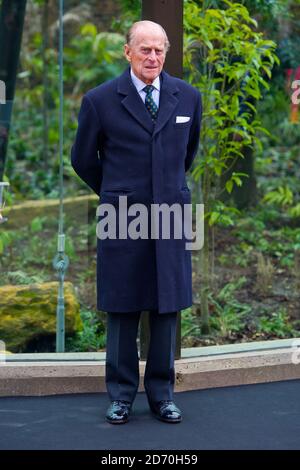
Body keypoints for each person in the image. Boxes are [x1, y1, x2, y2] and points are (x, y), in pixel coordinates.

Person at [71, 20, 202, 424]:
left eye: (159, 50)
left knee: (167, 307)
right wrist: (114, 194)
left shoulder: (189, 98)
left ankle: (163, 395)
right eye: (145, 49)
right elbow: (82, 159)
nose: (153, 57)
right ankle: (121, 396)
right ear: (127, 52)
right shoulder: (100, 100)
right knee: (123, 305)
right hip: (121, 216)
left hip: (170, 216)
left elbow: (188, 152)